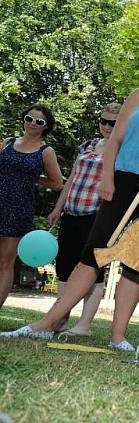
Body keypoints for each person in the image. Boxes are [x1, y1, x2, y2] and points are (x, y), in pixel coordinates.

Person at [1, 43, 139, 351]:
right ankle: (47, 324)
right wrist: (107, 178)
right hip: (123, 179)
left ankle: (118, 336)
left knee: (137, 262)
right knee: (94, 252)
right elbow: (116, 139)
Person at [46, 102, 121, 336]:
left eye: (113, 123)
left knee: (94, 270)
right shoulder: (87, 145)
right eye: (103, 121)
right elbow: (71, 180)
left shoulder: (122, 150)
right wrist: (58, 207)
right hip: (72, 212)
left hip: (98, 216)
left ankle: (84, 325)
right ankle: (59, 319)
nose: (107, 126)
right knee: (65, 268)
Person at [0, 103, 64, 309]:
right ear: (24, 119)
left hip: (18, 209)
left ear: (46, 126)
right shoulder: (8, 143)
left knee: (4, 263)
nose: (32, 124)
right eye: (29, 118)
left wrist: (33, 178)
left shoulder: (46, 151)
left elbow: (57, 183)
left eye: (39, 121)